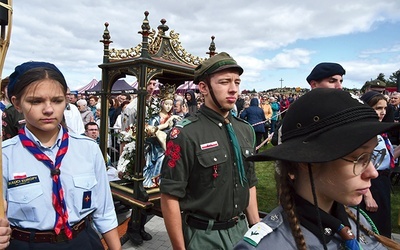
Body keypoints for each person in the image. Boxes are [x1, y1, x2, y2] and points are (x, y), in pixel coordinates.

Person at [234, 88, 400, 250]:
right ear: (306, 162)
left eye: (371, 157)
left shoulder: (359, 220)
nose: (373, 172)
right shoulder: (268, 245)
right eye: (358, 159)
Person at [2, 61, 121, 250]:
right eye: (36, 101)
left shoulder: (88, 149)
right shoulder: (5, 157)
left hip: (83, 240)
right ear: (17, 103)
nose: (49, 109)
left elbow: (104, 211)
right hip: (27, 244)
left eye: (57, 101)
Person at [160, 52, 260, 250]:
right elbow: (170, 196)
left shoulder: (245, 129)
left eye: (237, 82)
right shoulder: (185, 133)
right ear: (204, 88)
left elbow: (249, 182)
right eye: (224, 82)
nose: (233, 89)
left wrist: (255, 228)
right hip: (204, 237)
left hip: (241, 231)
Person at [359, 91, 400, 238]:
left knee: (383, 228)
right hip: (370, 184)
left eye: (384, 108)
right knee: (372, 229)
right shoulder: (364, 133)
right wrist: (367, 195)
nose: (382, 112)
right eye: (378, 108)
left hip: (382, 181)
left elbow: (383, 159)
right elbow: (360, 164)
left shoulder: (380, 131)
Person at [144, 84, 181, 188]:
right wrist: (165, 124)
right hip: (156, 147)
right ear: (162, 104)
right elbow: (150, 131)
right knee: (162, 158)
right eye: (166, 104)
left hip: (170, 143)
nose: (169, 107)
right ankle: (157, 179)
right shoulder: (155, 118)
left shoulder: (174, 117)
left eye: (170, 105)